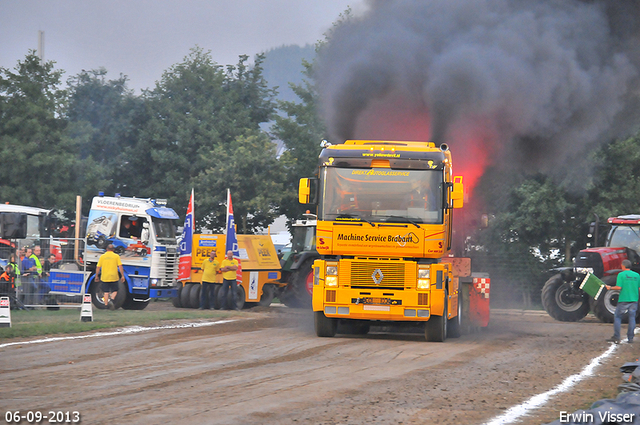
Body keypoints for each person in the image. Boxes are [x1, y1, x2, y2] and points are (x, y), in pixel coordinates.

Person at [605, 259, 640, 343]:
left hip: (624, 299)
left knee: (617, 316)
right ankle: (630, 338)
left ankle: (617, 336)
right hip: (634, 299)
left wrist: (610, 288)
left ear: (623, 266)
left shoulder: (621, 275)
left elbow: (619, 287)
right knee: (632, 317)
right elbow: (639, 288)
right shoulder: (637, 275)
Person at [95, 244, 125, 310]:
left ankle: (106, 306)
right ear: (113, 250)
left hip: (105, 277)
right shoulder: (116, 256)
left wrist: (96, 276)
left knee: (106, 292)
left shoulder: (102, 256)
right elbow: (120, 266)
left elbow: (98, 267)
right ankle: (111, 299)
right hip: (114, 276)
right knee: (115, 290)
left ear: (106, 249)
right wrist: (122, 276)